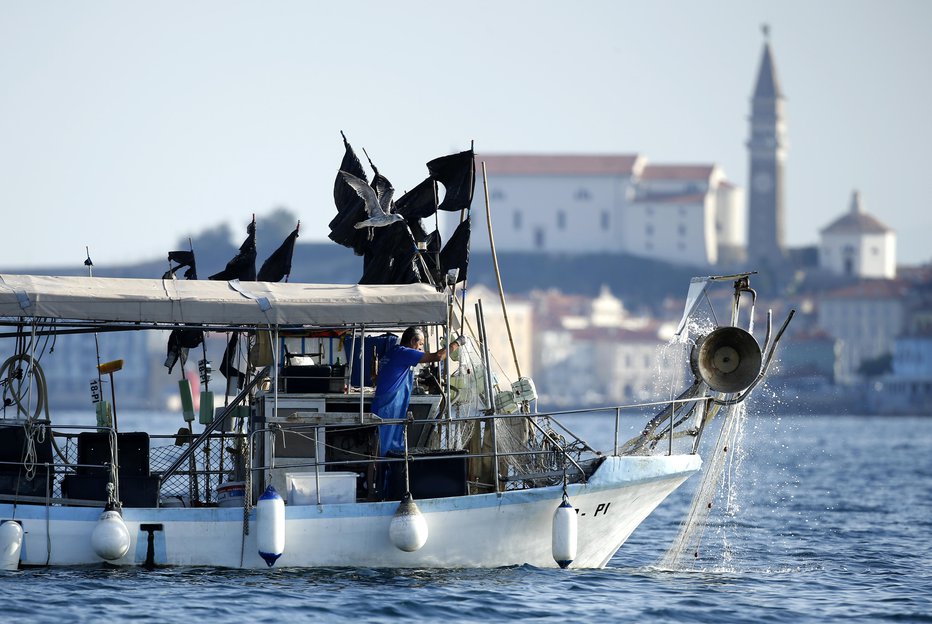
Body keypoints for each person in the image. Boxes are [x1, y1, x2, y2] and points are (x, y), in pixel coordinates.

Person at [371, 326, 454, 457]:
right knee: (384, 451)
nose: (420, 348)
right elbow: (438, 356)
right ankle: (384, 476)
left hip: (389, 406)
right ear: (413, 340)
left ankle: (389, 476)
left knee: (389, 449)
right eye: (420, 344)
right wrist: (457, 343)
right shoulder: (404, 352)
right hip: (389, 408)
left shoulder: (393, 351)